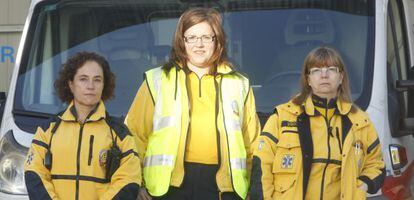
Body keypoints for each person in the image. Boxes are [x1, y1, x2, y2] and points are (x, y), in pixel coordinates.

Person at [125, 7, 260, 200]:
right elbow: (134, 135)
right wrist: (136, 183)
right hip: (168, 189)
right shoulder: (158, 80)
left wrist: (253, 190)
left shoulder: (239, 84)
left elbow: (252, 143)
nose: (199, 44)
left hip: (224, 188)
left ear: (218, 41)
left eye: (206, 37)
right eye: (192, 37)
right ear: (182, 41)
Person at [250, 46, 385, 200]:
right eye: (316, 70)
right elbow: (261, 165)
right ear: (308, 79)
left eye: (331, 69)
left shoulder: (360, 122)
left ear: (341, 77)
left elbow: (377, 165)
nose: (324, 75)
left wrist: (362, 186)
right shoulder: (283, 117)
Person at [24, 52, 141, 200]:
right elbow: (34, 172)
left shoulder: (120, 133)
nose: (91, 86)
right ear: (71, 84)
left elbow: (129, 180)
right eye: (83, 79)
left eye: (97, 80)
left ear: (104, 85)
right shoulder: (47, 130)